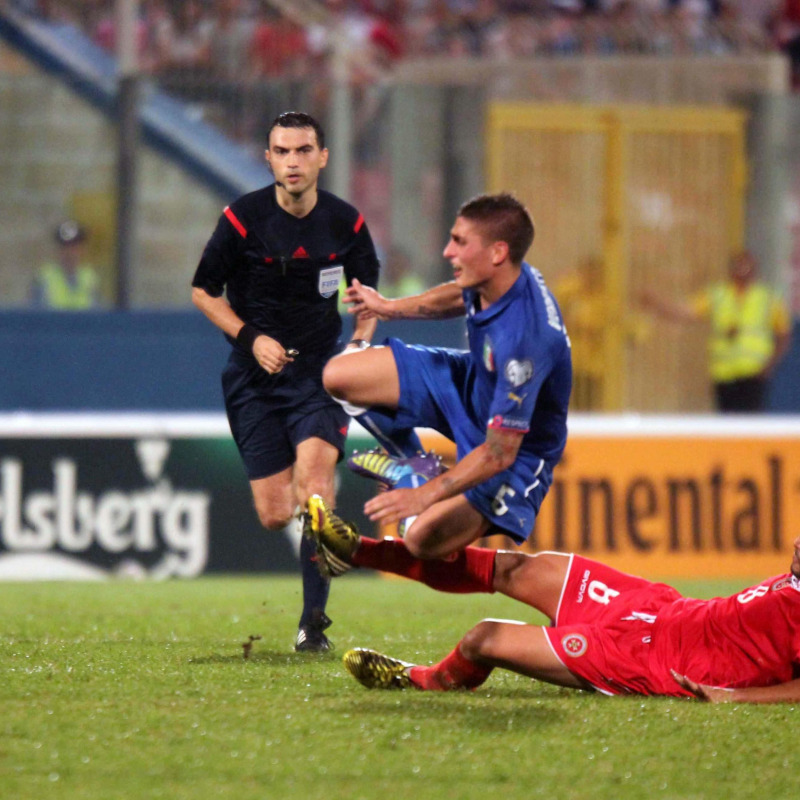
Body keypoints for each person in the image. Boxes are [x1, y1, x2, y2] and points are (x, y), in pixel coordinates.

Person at [191, 111, 380, 652]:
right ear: (269, 157)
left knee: (316, 485)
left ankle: (312, 626)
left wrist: (359, 346)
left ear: (322, 156)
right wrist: (251, 337)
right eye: (282, 151)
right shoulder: (243, 219)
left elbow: (367, 297)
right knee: (276, 514)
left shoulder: (346, 223)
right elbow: (203, 291)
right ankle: (311, 533)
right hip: (253, 378)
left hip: (318, 375)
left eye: (303, 150)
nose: (293, 161)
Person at [304, 500, 800, 703]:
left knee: (483, 640)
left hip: (651, 660)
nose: (796, 542)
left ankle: (417, 679)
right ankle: (358, 552)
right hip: (657, 606)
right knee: (516, 565)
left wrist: (738, 697)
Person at [320, 192, 572, 559]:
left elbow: (499, 453)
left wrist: (425, 496)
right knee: (339, 375)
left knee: (421, 542)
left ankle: (424, 489)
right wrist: (388, 308)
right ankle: (412, 467)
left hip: (515, 450)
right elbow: (458, 295)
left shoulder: (525, 341)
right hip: (471, 384)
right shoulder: (499, 276)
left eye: (459, 242)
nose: (447, 252)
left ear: (497, 252)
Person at [640, 251, 791, 413]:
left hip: (753, 372)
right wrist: (656, 304)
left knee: (750, 425)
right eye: (738, 266)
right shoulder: (718, 295)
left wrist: (770, 366)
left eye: (746, 266)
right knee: (727, 425)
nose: (742, 270)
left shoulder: (768, 298)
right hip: (724, 373)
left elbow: (783, 335)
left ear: (755, 269)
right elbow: (684, 312)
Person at [31, 220, 103, 309]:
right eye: (65, 247)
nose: (70, 253)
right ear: (58, 250)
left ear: (82, 250)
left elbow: (98, 312)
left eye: (75, 247)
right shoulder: (44, 278)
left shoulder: (90, 278)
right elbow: (36, 315)